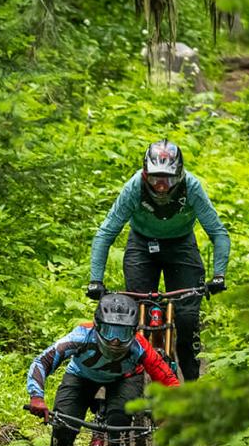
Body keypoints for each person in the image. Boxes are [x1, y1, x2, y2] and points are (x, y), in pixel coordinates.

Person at [27, 293, 180, 446]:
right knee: (63, 428)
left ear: (134, 331)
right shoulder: (80, 336)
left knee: (119, 425)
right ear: (97, 327)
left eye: (123, 333)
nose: (116, 341)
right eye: (109, 332)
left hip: (125, 380)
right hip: (81, 378)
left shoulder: (140, 346)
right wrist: (37, 397)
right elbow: (43, 361)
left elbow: (169, 380)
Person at [86, 139, 229, 381]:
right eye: (155, 179)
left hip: (182, 246)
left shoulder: (191, 187)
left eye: (169, 179)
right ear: (145, 175)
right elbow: (106, 232)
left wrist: (219, 275)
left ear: (180, 175)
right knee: (132, 314)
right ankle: (128, 380)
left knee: (186, 319)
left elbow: (218, 232)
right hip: (142, 245)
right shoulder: (135, 187)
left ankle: (192, 383)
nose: (161, 187)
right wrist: (95, 280)